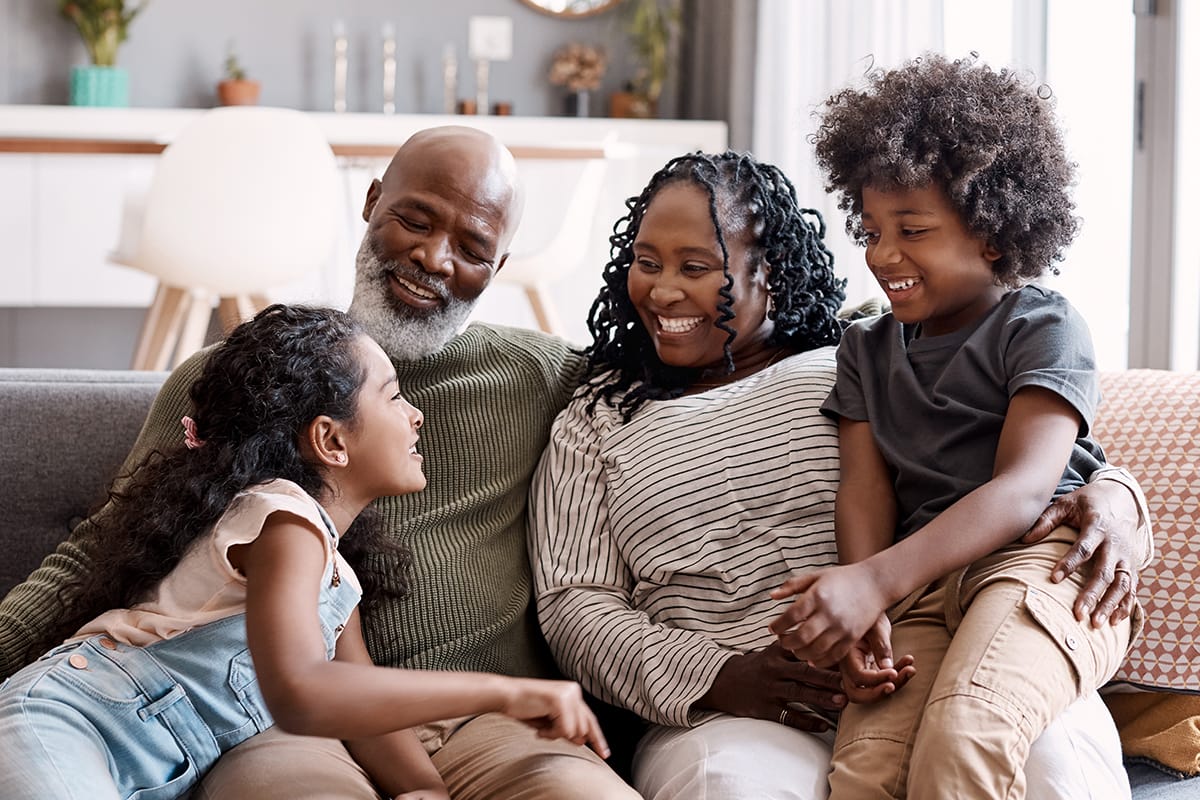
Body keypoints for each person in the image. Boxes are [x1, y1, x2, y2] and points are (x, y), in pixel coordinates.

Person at [0, 126, 639, 800]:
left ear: (500, 267)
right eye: (414, 220)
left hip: (478, 728)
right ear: (370, 203)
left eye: (473, 248)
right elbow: (99, 550)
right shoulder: (245, 387)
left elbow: (677, 389)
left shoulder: (538, 377)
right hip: (269, 727)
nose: (434, 257)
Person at [529, 149, 1153, 800]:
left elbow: (1029, 457)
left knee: (1043, 760)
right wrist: (720, 675)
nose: (660, 291)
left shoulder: (851, 351)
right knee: (738, 788)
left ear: (769, 271)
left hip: (936, 639)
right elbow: (575, 602)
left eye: (695, 267)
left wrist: (1118, 497)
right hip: (739, 710)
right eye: (646, 262)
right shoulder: (594, 418)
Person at [0, 304, 607, 799]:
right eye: (394, 397)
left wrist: (427, 792)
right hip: (69, 720)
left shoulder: (333, 575)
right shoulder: (281, 520)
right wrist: (506, 692)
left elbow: (358, 706)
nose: (417, 415)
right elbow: (302, 692)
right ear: (331, 440)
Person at [767, 54, 1152, 799]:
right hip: (919, 588)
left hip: (1040, 567)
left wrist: (872, 582)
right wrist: (866, 599)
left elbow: (1020, 492)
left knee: (967, 732)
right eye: (872, 228)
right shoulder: (865, 347)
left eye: (912, 229)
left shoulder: (1041, 323)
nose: (883, 254)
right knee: (866, 774)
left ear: (996, 235)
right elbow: (865, 491)